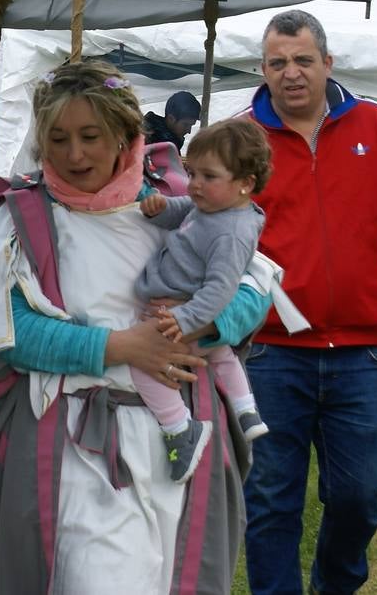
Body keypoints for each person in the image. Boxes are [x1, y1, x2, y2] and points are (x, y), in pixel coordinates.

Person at [0, 60, 261, 595]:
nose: (74, 154)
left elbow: (254, 290)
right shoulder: (21, 221)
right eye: (59, 138)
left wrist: (192, 329)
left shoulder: (178, 205)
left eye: (90, 136)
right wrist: (121, 346)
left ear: (124, 136)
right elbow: (6, 331)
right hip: (76, 446)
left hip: (178, 441)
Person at [243, 9, 377, 595]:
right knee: (271, 499)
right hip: (269, 353)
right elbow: (207, 232)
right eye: (278, 63)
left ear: (328, 64)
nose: (292, 74)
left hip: (363, 355)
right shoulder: (243, 138)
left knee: (361, 495)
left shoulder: (375, 128)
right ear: (263, 69)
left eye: (304, 60)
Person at [133, 117, 272, 483]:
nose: (194, 185)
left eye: (208, 177)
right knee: (220, 355)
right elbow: (182, 210)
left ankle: (179, 428)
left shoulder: (231, 232)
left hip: (179, 311)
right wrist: (159, 207)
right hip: (183, 309)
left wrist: (187, 319)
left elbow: (220, 289)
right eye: (192, 173)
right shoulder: (212, 207)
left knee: (142, 364)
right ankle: (246, 411)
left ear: (245, 184)